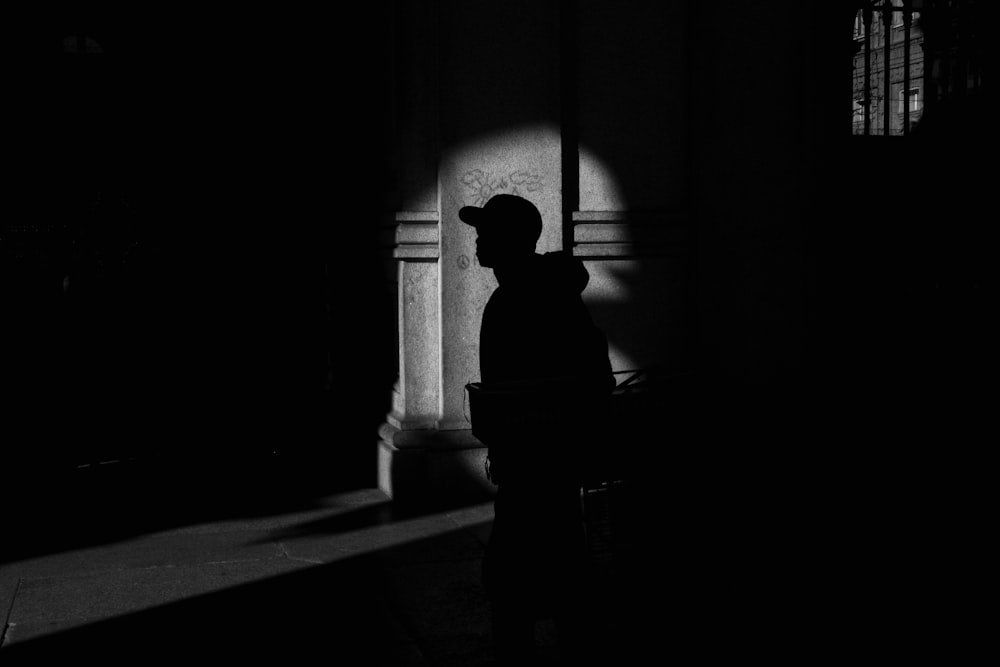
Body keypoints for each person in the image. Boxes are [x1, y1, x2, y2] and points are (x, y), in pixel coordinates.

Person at [460, 193, 615, 664]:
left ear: (511, 239)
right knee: (561, 567)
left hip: (532, 459)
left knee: (515, 578)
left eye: (487, 232)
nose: (480, 239)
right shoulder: (550, 292)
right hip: (553, 457)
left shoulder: (516, 300)